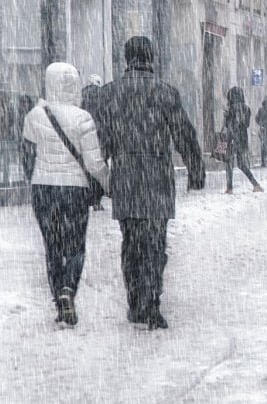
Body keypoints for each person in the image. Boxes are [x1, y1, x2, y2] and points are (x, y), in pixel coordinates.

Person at [94, 36, 205, 330]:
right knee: (155, 242)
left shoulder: (109, 94)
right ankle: (152, 301)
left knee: (131, 240)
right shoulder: (165, 92)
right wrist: (195, 169)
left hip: (127, 178)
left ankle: (135, 300)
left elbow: (101, 142)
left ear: (126, 58)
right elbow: (184, 134)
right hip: (156, 178)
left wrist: (96, 182)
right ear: (151, 57)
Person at [22, 63, 109, 325]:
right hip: (75, 190)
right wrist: (107, 182)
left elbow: (27, 156)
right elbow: (94, 163)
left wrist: (36, 179)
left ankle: (58, 296)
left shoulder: (34, 115)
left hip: (44, 189)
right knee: (75, 246)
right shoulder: (83, 118)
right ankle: (68, 290)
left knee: (52, 246)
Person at [222, 87, 262, 194]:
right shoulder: (246, 109)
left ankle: (229, 187)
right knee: (241, 164)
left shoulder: (230, 110)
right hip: (242, 138)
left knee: (229, 162)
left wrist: (227, 117)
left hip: (231, 138)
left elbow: (227, 125)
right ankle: (255, 184)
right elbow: (246, 124)